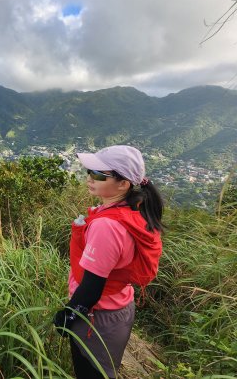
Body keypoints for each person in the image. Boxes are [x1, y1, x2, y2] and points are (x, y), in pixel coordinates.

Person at [53, 145, 164, 379]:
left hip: (97, 316)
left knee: (91, 373)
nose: (90, 178)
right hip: (118, 306)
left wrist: (70, 313)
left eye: (99, 174)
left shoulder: (107, 226)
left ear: (123, 184)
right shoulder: (132, 210)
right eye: (90, 171)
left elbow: (92, 287)